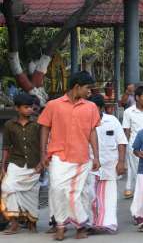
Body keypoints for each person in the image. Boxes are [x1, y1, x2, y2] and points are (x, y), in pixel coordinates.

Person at [38, 71, 101, 241]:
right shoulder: (53, 105)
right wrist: (43, 153)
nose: (90, 91)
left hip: (81, 157)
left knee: (73, 193)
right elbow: (44, 128)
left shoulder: (91, 107)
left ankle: (79, 226)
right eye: (87, 88)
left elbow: (93, 132)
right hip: (58, 155)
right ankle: (62, 224)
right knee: (57, 190)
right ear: (77, 87)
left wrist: (96, 156)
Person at [85, 94, 127, 233]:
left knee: (109, 196)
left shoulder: (112, 121)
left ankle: (107, 224)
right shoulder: (84, 121)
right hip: (90, 165)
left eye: (94, 108)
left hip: (109, 165)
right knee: (89, 195)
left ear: (101, 108)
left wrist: (121, 162)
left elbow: (121, 142)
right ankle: (91, 223)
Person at [1, 93, 42, 234]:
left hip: (34, 164)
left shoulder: (38, 123)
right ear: (17, 108)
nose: (29, 109)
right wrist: (3, 166)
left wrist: (42, 163)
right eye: (26, 107)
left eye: (31, 107)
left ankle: (32, 222)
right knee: (7, 187)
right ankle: (14, 223)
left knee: (32, 193)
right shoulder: (9, 125)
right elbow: (6, 146)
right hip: (16, 163)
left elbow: (43, 145)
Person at [122, 85, 143, 199]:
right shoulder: (129, 112)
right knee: (137, 170)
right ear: (137, 97)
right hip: (135, 147)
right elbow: (127, 131)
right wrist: (127, 149)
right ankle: (141, 194)